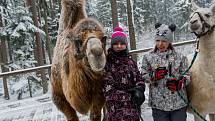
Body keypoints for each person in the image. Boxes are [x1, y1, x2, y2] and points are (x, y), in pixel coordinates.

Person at [141, 23, 191, 121]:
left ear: (170, 42)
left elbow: (187, 75)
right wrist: (153, 76)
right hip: (158, 104)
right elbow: (143, 76)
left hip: (178, 103)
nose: (160, 44)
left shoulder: (180, 57)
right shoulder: (148, 57)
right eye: (158, 40)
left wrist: (180, 83)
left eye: (164, 41)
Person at [102, 26, 145, 121]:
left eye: (122, 43)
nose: (119, 46)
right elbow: (108, 91)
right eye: (116, 43)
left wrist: (139, 90)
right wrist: (130, 95)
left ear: (126, 44)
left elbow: (139, 78)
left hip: (134, 113)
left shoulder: (131, 62)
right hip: (116, 113)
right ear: (112, 45)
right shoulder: (107, 63)